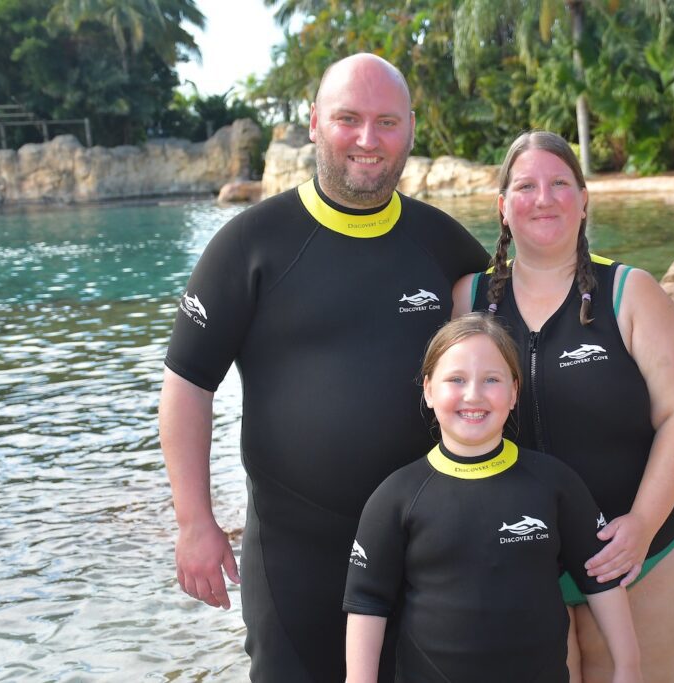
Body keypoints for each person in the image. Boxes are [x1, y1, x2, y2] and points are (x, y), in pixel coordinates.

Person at [159, 53, 488, 682]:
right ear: (313, 123)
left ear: (410, 128)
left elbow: (524, 337)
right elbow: (187, 387)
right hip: (293, 556)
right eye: (349, 119)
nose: (368, 140)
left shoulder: (442, 244)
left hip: (424, 546)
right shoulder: (249, 245)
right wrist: (195, 522)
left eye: (387, 122)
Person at [452, 131, 674, 683]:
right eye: (525, 186)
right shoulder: (469, 300)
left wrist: (642, 523)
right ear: (502, 208)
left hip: (638, 554)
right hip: (521, 557)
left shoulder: (630, 294)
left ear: (584, 199)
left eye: (559, 183)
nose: (543, 198)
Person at [343, 313, 643, 683]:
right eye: (456, 379)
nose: (474, 394)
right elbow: (367, 603)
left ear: (514, 392)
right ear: (428, 390)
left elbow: (600, 577)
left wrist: (629, 666)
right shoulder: (396, 497)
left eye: (491, 380)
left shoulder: (554, 483)